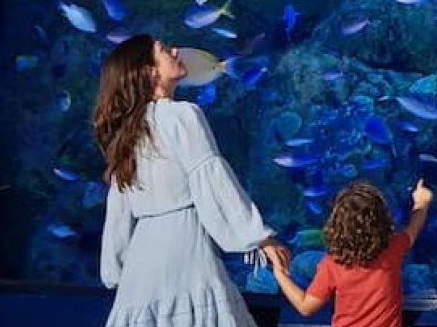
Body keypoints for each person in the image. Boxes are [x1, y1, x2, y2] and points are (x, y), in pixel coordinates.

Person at [94, 35, 290, 327]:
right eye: (163, 50)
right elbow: (212, 180)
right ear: (149, 71)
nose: (175, 51)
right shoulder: (182, 115)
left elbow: (118, 213)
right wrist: (258, 236)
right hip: (185, 250)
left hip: (141, 270)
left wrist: (115, 268)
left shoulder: (126, 135)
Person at [271, 178, 433, 326]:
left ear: (335, 226)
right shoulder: (392, 248)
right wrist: (422, 202)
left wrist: (280, 274)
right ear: (382, 219)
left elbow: (306, 307)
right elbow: (413, 228)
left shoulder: (333, 264)